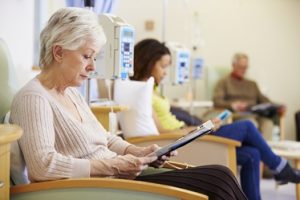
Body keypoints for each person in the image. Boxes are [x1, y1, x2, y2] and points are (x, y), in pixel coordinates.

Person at [9, 8, 247, 200]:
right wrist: (113, 166)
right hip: (100, 187)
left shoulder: (71, 93)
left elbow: (106, 138)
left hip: (117, 177)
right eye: (86, 56)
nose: (92, 67)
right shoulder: (34, 98)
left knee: (221, 175)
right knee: (219, 181)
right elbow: (43, 166)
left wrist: (137, 152)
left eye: (94, 57)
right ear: (59, 52)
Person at [131, 38, 300, 200]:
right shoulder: (142, 91)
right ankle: (280, 167)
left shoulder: (152, 88)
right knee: (247, 126)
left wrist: (198, 126)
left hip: (187, 133)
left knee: (252, 154)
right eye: (163, 66)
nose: (166, 72)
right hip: (181, 140)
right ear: (149, 62)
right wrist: (195, 129)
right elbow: (163, 131)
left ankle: (269, 181)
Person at [213, 52, 285, 140]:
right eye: (241, 67)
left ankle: (264, 150)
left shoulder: (252, 84)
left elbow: (265, 100)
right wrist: (232, 105)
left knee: (268, 124)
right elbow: (217, 101)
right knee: (251, 123)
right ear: (233, 65)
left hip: (255, 114)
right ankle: (256, 149)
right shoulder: (223, 82)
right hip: (237, 115)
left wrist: (278, 106)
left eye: (246, 67)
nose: (244, 70)